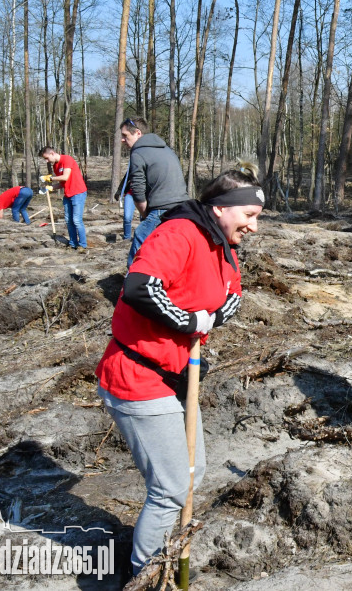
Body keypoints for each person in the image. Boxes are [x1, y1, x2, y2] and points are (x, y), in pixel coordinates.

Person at [95, 162, 262, 576]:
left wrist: (213, 316)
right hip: (137, 374)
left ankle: (164, 556)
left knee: (192, 472)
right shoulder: (180, 232)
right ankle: (146, 575)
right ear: (222, 208)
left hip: (178, 377)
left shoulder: (221, 243)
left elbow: (233, 294)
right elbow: (139, 286)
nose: (254, 227)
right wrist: (190, 321)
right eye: (250, 216)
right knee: (171, 487)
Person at [120, 117, 189, 266]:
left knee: (140, 238)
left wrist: (145, 214)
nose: (122, 140)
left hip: (162, 207)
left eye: (125, 136)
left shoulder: (138, 153)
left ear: (138, 133)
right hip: (183, 205)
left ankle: (131, 282)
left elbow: (137, 190)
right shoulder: (166, 149)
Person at [39, 145, 88, 253]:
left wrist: (50, 178)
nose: (47, 161)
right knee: (68, 220)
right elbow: (63, 183)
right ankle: (73, 243)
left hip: (78, 193)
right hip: (68, 194)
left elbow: (65, 176)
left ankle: (83, 245)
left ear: (52, 153)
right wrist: (50, 187)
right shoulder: (56, 166)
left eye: (47, 158)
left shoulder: (67, 159)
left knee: (76, 220)